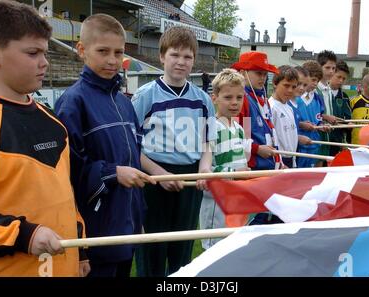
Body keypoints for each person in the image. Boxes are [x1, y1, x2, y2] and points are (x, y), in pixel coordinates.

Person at [0, 0, 88, 276]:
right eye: (33, 52)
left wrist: (80, 249)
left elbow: (66, 196)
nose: (45, 62)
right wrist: (24, 235)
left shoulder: (54, 122)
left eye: (45, 52)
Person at [55, 14, 156, 277]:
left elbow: (134, 161)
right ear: (81, 50)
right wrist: (112, 173)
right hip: (95, 235)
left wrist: (137, 218)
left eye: (118, 52)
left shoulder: (124, 102)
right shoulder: (72, 103)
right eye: (103, 51)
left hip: (126, 228)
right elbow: (66, 176)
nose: (112, 60)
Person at [132, 26, 215, 277]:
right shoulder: (145, 96)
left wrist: (204, 168)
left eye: (187, 57)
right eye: (175, 55)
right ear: (161, 57)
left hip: (190, 179)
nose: (181, 62)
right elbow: (131, 148)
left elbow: (206, 143)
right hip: (154, 178)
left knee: (183, 249)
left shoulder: (203, 99)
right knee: (153, 249)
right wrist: (159, 174)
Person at [199, 69, 251, 249]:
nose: (234, 103)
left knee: (235, 249)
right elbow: (204, 171)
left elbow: (243, 161)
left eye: (239, 97)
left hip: (237, 201)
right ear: (214, 98)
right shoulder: (209, 126)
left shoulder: (241, 128)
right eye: (228, 97)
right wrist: (235, 173)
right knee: (215, 251)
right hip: (216, 203)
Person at [232, 51, 280, 171]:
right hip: (252, 167)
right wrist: (257, 149)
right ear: (243, 73)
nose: (263, 78)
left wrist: (279, 162)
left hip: (269, 163)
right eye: (258, 73)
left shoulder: (263, 99)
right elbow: (239, 137)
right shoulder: (242, 100)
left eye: (265, 74)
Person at [268, 65, 311, 168]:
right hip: (279, 159)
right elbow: (271, 139)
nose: (290, 90)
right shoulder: (271, 107)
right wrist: (278, 162)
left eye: (293, 87)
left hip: (291, 157)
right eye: (286, 86)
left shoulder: (289, 108)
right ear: (275, 84)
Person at [296, 61, 330, 168]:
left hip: (314, 144)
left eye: (318, 80)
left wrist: (321, 126)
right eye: (313, 79)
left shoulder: (318, 99)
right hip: (299, 145)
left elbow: (318, 120)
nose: (316, 83)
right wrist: (301, 124)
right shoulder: (294, 97)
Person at [316, 50, 338, 157]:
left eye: (333, 68)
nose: (331, 71)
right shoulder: (314, 89)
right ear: (319, 67)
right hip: (317, 133)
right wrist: (326, 117)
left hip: (327, 132)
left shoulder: (329, 89)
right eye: (327, 68)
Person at [328, 60, 352, 155]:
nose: (341, 81)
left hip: (337, 141)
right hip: (323, 139)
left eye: (344, 78)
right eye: (339, 77)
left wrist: (348, 125)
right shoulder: (321, 94)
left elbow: (347, 118)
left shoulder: (344, 97)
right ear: (332, 74)